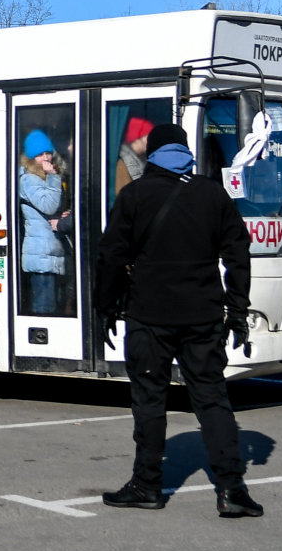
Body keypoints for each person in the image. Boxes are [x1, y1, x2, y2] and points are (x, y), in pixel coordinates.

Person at [94, 122, 262, 518]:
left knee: (150, 402)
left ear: (151, 155)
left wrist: (106, 308)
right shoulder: (212, 194)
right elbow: (239, 253)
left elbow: (111, 257)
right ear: (186, 153)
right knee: (212, 399)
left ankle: (147, 485)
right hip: (203, 316)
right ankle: (232, 490)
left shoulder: (134, 196)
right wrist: (237, 310)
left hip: (149, 316)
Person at [17, 131, 67, 315]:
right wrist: (54, 176)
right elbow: (48, 205)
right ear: (31, 157)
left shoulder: (42, 177)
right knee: (45, 308)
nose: (46, 157)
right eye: (39, 154)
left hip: (49, 251)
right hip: (41, 254)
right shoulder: (29, 179)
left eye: (48, 152)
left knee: (56, 304)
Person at [114, 117, 155, 194]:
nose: (151, 140)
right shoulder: (122, 163)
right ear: (138, 136)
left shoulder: (145, 160)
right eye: (148, 136)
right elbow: (122, 195)